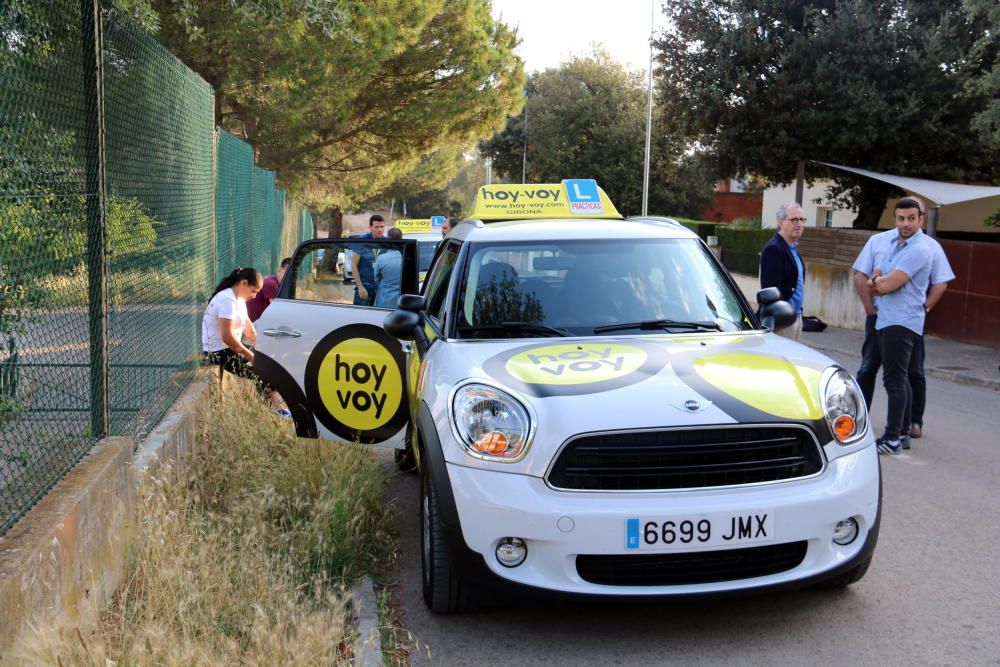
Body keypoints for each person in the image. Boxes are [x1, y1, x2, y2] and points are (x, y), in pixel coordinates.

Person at [853, 197, 954, 444]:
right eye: (901, 218)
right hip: (879, 317)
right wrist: (870, 308)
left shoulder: (925, 247)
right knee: (869, 368)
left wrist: (924, 309)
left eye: (911, 217)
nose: (906, 222)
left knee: (909, 374)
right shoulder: (881, 241)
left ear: (921, 217)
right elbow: (863, 275)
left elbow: (938, 284)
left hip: (904, 320)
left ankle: (905, 428)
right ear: (895, 218)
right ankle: (861, 421)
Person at [202, 266, 287, 415]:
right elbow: (227, 337)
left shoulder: (239, 299)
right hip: (218, 352)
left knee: (272, 364)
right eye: (253, 291)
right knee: (264, 372)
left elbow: (248, 328)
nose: (254, 296)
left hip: (229, 348)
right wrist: (251, 356)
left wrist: (260, 347)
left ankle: (275, 410)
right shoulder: (227, 300)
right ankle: (273, 412)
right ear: (244, 283)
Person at [759, 202, 807, 340]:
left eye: (802, 219)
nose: (799, 224)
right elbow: (770, 291)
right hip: (782, 321)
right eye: (794, 220)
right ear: (781, 222)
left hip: (795, 316)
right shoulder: (774, 249)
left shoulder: (792, 247)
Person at [352, 214, 386, 306]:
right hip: (365, 288)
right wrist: (360, 287)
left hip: (382, 290)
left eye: (382, 227)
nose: (380, 229)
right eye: (376, 227)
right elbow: (353, 264)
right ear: (370, 227)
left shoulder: (388, 242)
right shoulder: (362, 241)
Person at [247, 256, 291, 322]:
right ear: (281, 269)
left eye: (291, 273)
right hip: (255, 322)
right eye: (287, 271)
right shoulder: (272, 284)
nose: (289, 275)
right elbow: (275, 312)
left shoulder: (276, 282)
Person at [374, 228, 403, 309]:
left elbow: (376, 278)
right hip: (402, 300)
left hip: (384, 299)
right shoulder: (406, 258)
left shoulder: (381, 258)